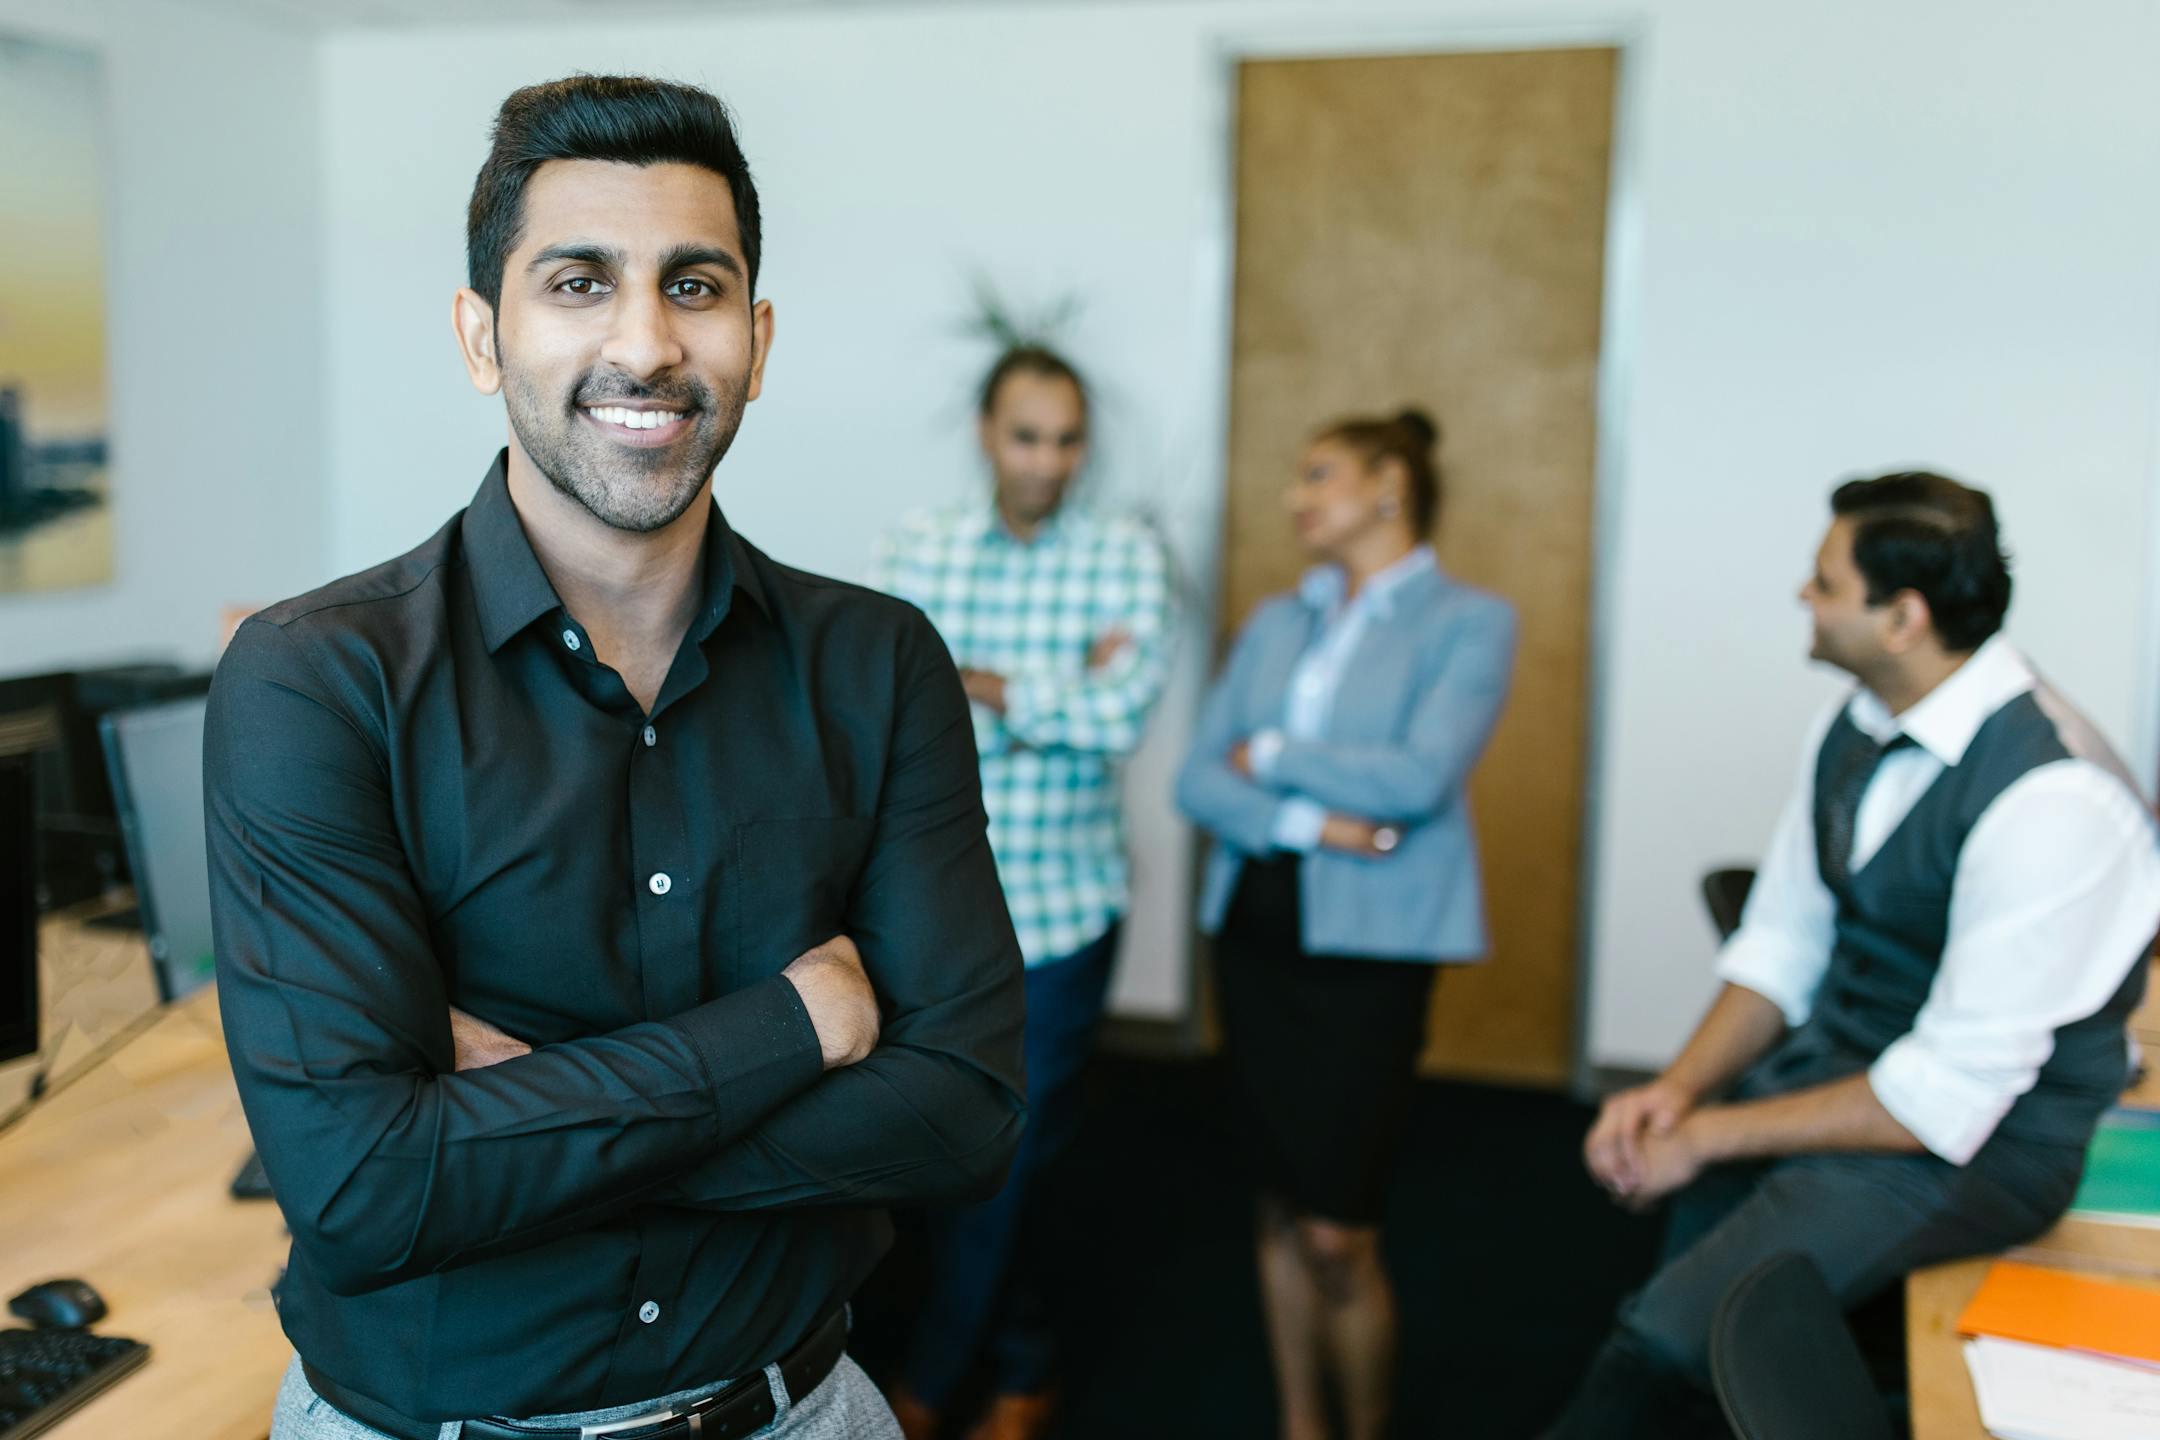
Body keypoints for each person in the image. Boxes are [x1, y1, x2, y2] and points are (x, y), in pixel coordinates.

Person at [205, 75, 1026, 1440]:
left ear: (755, 340)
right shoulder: (317, 679)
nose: (646, 345)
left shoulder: (879, 663)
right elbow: (361, 1195)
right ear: (483, 336)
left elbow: (963, 1116)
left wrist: (524, 1130)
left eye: (693, 287)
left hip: (802, 1412)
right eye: (578, 283)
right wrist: (796, 1030)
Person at [1547, 472, 2160, 1438]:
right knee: (1693, 1296)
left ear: (1903, 616)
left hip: (1978, 1146)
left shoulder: (2055, 798)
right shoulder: (1862, 719)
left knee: (1662, 1349)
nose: (1802, 594)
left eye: (1824, 581)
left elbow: (1940, 1101)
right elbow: (1783, 941)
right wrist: (1680, 1090)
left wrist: (1707, 1131)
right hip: (1858, 1073)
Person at [1176, 408, 1516, 1440]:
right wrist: (1316, 819)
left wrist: (1271, 755)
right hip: (1255, 933)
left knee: (1338, 1230)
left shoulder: (1470, 621)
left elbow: (1415, 780)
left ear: (1388, 487)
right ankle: (1300, 1422)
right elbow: (1198, 776)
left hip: (1372, 955)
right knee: (1277, 1201)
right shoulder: (1280, 619)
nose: (1297, 495)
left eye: (1318, 474)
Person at [871, 343, 1173, 1440]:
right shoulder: (919, 549)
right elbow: (885, 716)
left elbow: (1121, 719)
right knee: (949, 1144)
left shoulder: (1125, 556)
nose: (1047, 460)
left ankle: (928, 1388)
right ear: (987, 434)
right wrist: (1054, 689)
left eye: (1066, 438)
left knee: (1009, 1150)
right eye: (1026, 435)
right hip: (932, 913)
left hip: (1063, 915)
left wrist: (974, 679)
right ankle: (1029, 1356)